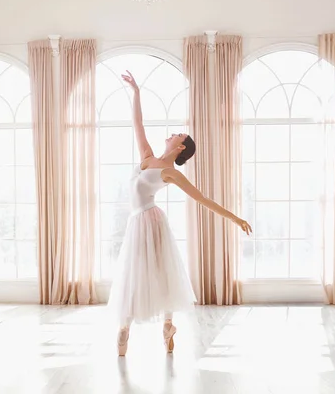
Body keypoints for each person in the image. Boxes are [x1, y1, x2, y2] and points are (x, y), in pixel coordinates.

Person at [107, 71, 252, 356]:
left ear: (181, 147)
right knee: (132, 273)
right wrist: (136, 92)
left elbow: (203, 199)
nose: (173, 133)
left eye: (179, 134)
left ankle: (167, 324)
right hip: (137, 222)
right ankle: (125, 327)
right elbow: (137, 123)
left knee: (161, 272)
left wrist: (235, 218)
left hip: (150, 221)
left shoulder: (170, 173)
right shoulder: (148, 157)